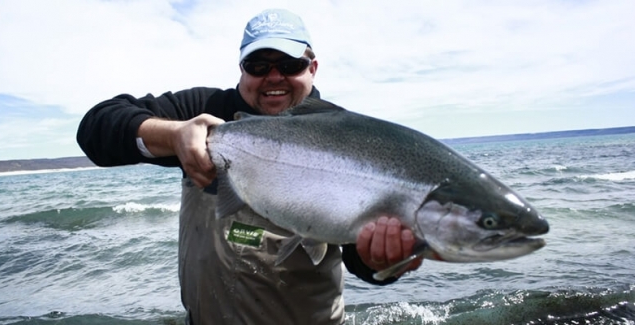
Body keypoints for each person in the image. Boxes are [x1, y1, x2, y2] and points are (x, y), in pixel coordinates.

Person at [77, 8, 422, 325]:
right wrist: (175, 135)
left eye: (289, 65)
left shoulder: (346, 137)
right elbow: (96, 129)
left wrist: (383, 263)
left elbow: (360, 260)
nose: (274, 77)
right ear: (241, 68)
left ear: (312, 68)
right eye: (258, 66)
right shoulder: (205, 110)